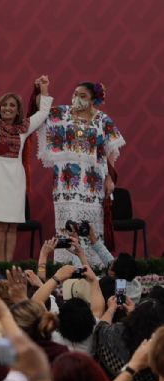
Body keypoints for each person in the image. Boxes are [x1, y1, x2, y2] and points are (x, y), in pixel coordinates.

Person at [36, 81, 125, 264]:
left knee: (89, 229)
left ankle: (95, 268)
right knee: (67, 226)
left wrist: (109, 178)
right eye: (75, 93)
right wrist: (43, 90)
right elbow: (41, 110)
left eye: (83, 95)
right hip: (65, 185)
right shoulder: (62, 114)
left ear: (94, 99)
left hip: (93, 186)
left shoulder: (103, 120)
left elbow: (110, 152)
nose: (77, 98)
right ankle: (66, 268)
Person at [0, 75, 52, 262]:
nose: (7, 108)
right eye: (4, 105)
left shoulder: (23, 128)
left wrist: (43, 90)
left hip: (15, 182)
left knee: (11, 226)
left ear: (18, 110)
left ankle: (7, 265)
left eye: (12, 105)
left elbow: (42, 114)